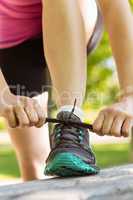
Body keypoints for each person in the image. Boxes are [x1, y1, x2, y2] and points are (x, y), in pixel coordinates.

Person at [0, 0, 133, 180]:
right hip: (13, 44)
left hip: (75, 16)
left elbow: (115, 4)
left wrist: (130, 95)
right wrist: (3, 96)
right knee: (34, 162)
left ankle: (70, 119)